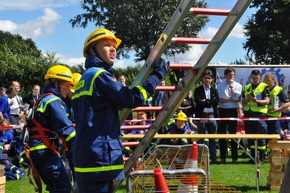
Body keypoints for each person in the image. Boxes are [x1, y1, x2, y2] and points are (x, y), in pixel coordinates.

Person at [71, 28, 169, 193]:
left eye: (114, 46)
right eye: (106, 45)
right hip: (98, 157)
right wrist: (157, 75)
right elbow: (132, 98)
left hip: (88, 156)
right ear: (91, 51)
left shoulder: (85, 78)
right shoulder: (99, 76)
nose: (113, 49)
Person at [26, 65, 76, 193]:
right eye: (67, 85)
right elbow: (65, 128)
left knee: (56, 186)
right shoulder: (54, 101)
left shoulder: (43, 99)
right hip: (45, 150)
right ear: (57, 83)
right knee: (62, 187)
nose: (69, 89)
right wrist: (82, 144)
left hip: (41, 150)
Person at [242, 70, 269, 163]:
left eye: (257, 78)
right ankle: (253, 157)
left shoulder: (264, 87)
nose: (255, 79)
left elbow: (267, 101)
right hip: (248, 114)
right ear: (251, 77)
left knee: (260, 136)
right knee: (250, 136)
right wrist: (247, 100)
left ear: (260, 77)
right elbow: (242, 101)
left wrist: (256, 100)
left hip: (259, 115)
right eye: (253, 78)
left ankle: (262, 156)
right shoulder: (247, 87)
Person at [217, 67, 242, 164]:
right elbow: (220, 99)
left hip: (233, 111)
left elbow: (237, 98)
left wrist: (232, 87)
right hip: (223, 110)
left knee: (233, 135)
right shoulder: (220, 85)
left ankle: (234, 158)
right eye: (230, 75)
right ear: (226, 75)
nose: (232, 77)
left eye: (233, 75)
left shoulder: (238, 85)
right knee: (222, 135)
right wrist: (231, 99)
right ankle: (223, 157)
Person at [194, 69, 219, 164]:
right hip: (202, 116)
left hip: (212, 116)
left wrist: (206, 101)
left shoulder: (214, 90)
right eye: (206, 78)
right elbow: (198, 102)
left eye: (209, 78)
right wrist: (209, 101)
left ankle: (213, 159)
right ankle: (199, 159)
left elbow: (217, 101)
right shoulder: (198, 89)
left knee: (212, 138)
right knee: (201, 138)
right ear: (203, 79)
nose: (207, 80)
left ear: (212, 79)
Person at [263, 72, 288, 139]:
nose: (266, 82)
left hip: (274, 117)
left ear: (273, 80)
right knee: (265, 136)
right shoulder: (263, 89)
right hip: (264, 116)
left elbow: (287, 103)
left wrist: (278, 109)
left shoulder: (279, 90)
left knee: (275, 137)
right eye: (265, 80)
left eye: (268, 80)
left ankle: (279, 149)